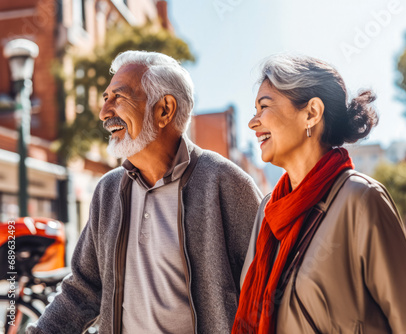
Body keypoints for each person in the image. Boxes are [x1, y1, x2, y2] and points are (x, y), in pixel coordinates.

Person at [27, 51, 262, 334]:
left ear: (164, 110)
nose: (104, 113)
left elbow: (265, 296)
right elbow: (82, 291)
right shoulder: (108, 191)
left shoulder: (228, 185)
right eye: (106, 99)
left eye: (120, 98)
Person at [233, 54, 406, 334]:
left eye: (263, 107)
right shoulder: (268, 211)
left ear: (311, 113)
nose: (252, 123)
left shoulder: (361, 199)